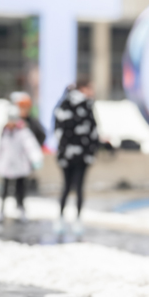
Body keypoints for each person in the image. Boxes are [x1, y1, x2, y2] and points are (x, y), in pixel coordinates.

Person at [53, 79, 99, 236]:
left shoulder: (65, 104)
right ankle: (71, 219)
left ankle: (65, 218)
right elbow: (92, 131)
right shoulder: (82, 106)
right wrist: (90, 150)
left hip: (70, 155)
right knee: (75, 187)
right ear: (83, 88)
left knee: (69, 187)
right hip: (78, 155)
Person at [0, 103, 43, 224]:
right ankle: (1, 211)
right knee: (4, 189)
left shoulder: (23, 131)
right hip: (7, 165)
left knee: (20, 189)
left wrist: (36, 159)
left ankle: (21, 209)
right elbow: (1, 148)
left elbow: (31, 146)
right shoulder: (5, 131)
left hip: (20, 165)